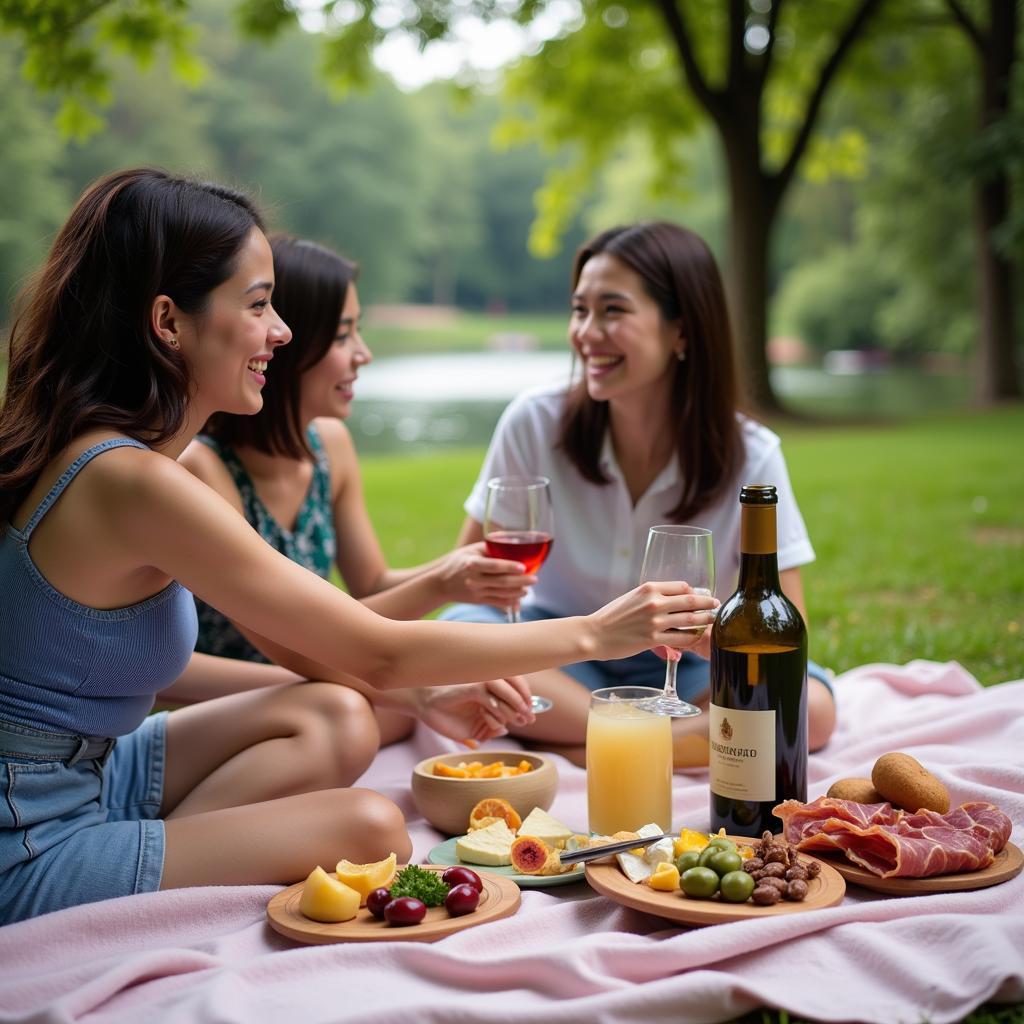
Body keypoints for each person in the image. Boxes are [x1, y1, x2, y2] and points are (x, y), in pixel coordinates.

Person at [0, 171, 715, 924]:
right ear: (168, 322)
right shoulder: (135, 482)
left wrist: (426, 697)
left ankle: (143, 851)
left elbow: (300, 645)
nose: (281, 330)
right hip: (27, 839)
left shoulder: (111, 459)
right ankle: (123, 867)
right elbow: (376, 649)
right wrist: (600, 631)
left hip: (93, 771)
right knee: (372, 824)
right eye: (257, 305)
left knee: (336, 715)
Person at [442, 221, 837, 767]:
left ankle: (586, 740)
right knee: (465, 640)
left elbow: (786, 628)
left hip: (687, 668)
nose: (586, 332)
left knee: (809, 707)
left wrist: (715, 637)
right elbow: (472, 585)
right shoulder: (533, 422)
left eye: (613, 311)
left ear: (682, 330)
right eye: (580, 310)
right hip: (556, 652)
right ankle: (652, 742)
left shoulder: (752, 455)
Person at [176, 235, 533, 747]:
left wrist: (453, 573)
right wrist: (436, 589)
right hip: (237, 705)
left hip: (325, 678)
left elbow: (370, 588)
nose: (363, 354)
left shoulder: (329, 448)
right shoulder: (204, 470)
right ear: (290, 345)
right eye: (343, 336)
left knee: (431, 695)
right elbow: (268, 643)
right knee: (380, 703)